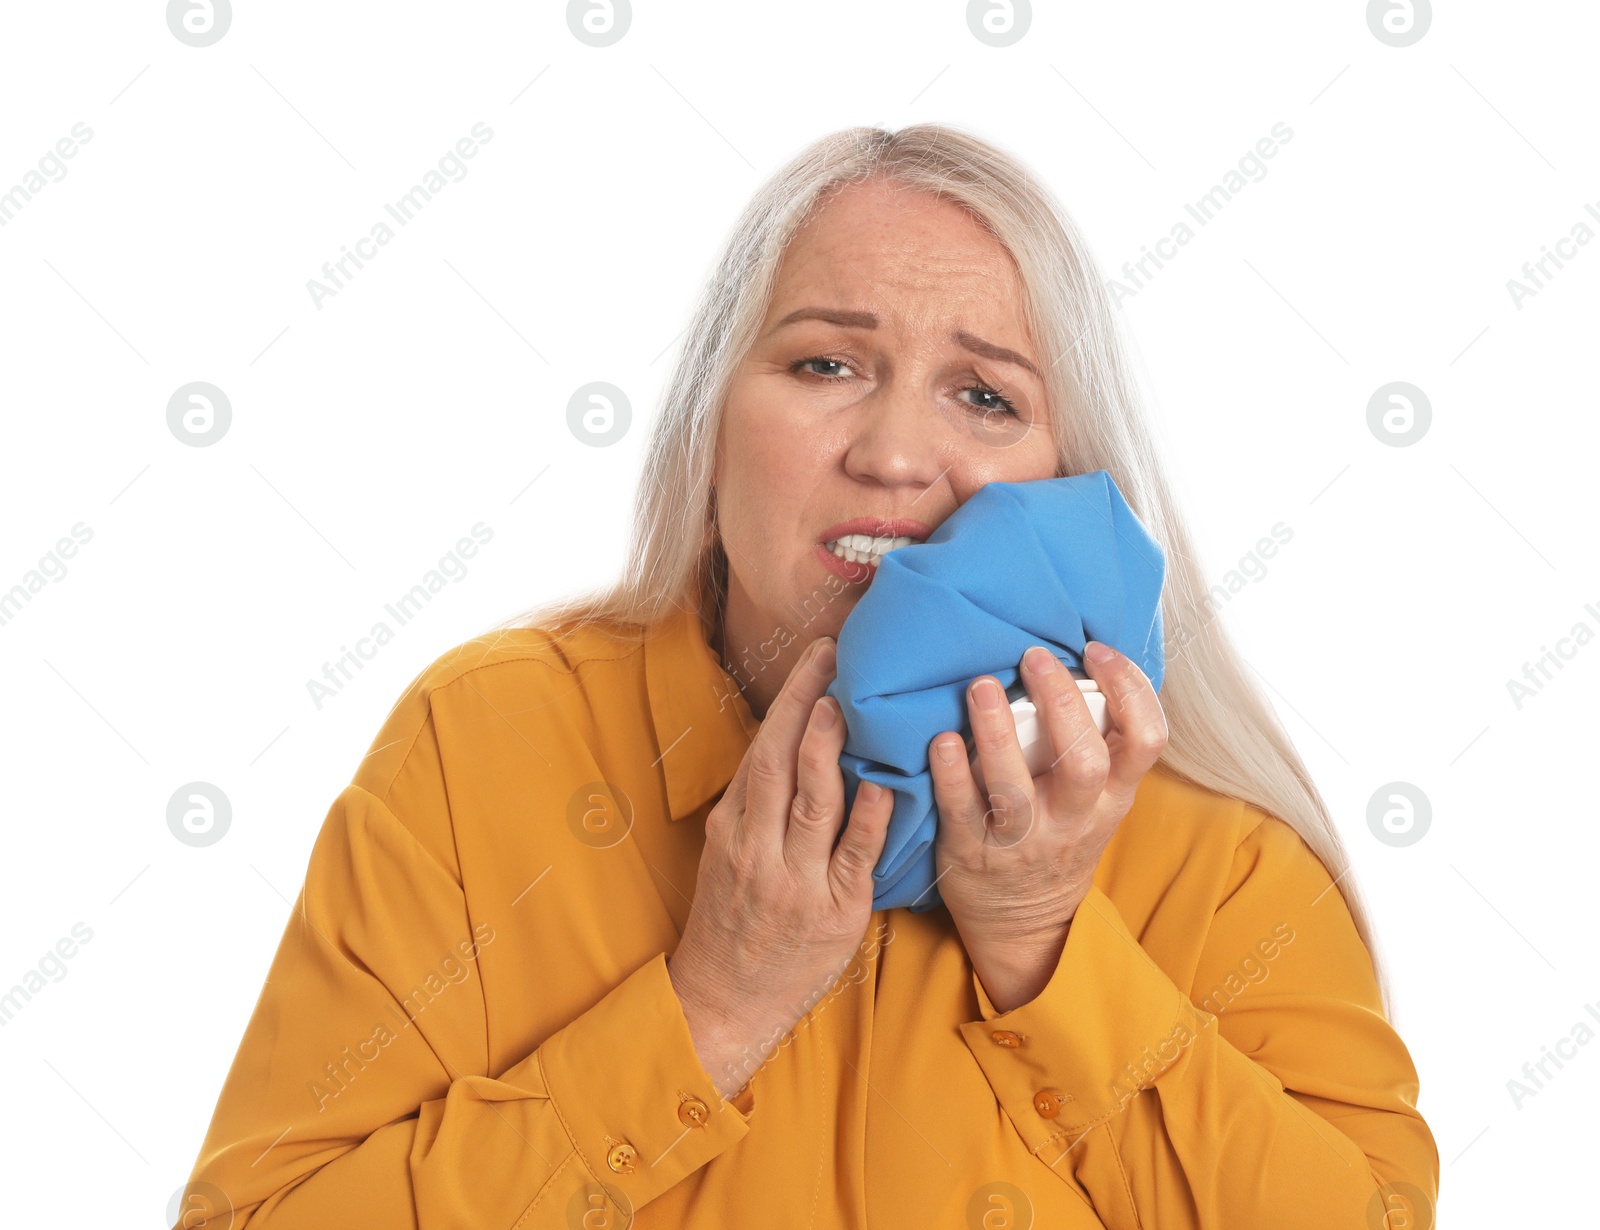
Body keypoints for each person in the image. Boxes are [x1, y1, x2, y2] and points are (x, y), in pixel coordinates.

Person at [173, 124, 1438, 1229]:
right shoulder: (487, 740)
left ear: (1069, 472)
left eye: (984, 396)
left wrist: (1046, 950)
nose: (895, 454)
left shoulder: (1208, 849)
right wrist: (707, 1012)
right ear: (709, 427)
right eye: (826, 364)